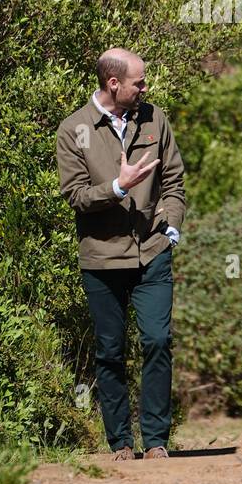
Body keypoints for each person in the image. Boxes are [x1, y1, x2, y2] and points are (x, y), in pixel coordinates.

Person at [56, 47, 185, 460]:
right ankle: (121, 443)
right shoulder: (74, 129)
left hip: (153, 250)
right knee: (110, 351)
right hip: (102, 258)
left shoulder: (155, 119)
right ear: (113, 84)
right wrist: (118, 187)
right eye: (138, 82)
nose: (145, 88)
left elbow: (174, 181)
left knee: (158, 340)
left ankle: (157, 440)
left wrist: (172, 224)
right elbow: (76, 196)